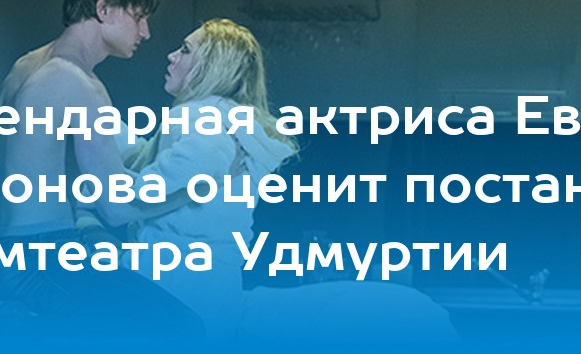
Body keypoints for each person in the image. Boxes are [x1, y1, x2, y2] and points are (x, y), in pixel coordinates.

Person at [127, 19, 457, 343]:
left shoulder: (199, 118)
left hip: (178, 292)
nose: (172, 55)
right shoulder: (234, 125)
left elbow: (143, 191)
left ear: (213, 66)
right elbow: (160, 167)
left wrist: (109, 172)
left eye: (185, 50)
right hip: (213, 289)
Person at [0, 0, 200, 337]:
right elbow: (116, 209)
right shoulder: (80, 84)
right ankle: (25, 330)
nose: (146, 32)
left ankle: (31, 328)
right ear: (104, 9)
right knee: (183, 327)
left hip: (7, 248)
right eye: (139, 17)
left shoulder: (26, 65)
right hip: (42, 258)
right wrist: (197, 189)